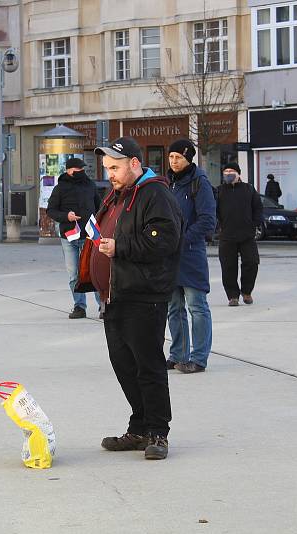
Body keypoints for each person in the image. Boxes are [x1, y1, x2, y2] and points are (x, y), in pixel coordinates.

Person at [88, 137, 182, 460]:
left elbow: (164, 241)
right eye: (107, 169)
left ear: (134, 164)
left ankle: (158, 431)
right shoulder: (117, 194)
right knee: (124, 365)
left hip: (144, 295)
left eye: (114, 168)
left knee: (148, 366)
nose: (109, 174)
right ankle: (139, 426)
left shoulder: (154, 193)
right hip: (115, 295)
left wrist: (120, 247)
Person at [165, 139, 216, 374]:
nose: (174, 161)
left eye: (179, 157)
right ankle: (178, 354)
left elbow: (208, 221)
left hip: (191, 254)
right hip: (168, 256)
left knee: (197, 306)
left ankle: (199, 358)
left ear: (189, 159)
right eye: (171, 157)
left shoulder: (199, 183)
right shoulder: (166, 183)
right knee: (173, 307)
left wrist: (182, 239)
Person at [46, 156, 101, 319]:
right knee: (74, 275)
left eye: (83, 170)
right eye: (78, 170)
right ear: (69, 171)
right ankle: (79, 306)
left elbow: (100, 207)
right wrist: (66, 216)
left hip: (90, 236)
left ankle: (103, 306)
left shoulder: (90, 185)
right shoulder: (60, 188)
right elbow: (51, 210)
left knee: (94, 272)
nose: (82, 172)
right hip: (69, 237)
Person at [216, 162, 263, 306]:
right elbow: (213, 210)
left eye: (231, 171)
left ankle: (247, 292)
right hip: (226, 235)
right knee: (228, 266)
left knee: (252, 262)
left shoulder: (249, 189)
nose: (228, 173)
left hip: (247, 235)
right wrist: (217, 226)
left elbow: (258, 208)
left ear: (238, 173)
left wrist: (254, 224)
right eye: (226, 171)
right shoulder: (219, 191)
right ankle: (232, 296)